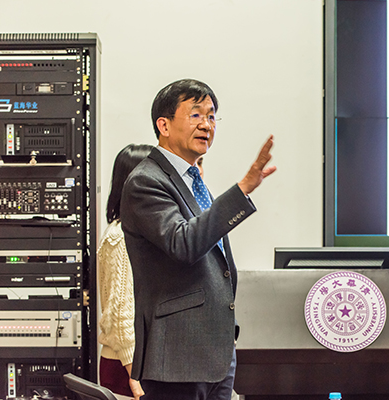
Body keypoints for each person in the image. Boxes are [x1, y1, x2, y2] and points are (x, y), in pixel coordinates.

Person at [120, 79, 276, 400]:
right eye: (195, 115)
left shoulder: (192, 179)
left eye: (212, 116)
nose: (207, 125)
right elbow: (183, 244)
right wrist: (242, 190)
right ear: (164, 125)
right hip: (177, 356)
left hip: (215, 353)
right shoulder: (146, 181)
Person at [97, 144, 154, 400]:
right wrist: (135, 376)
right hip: (127, 369)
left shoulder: (137, 230)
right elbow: (120, 315)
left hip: (139, 366)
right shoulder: (121, 237)